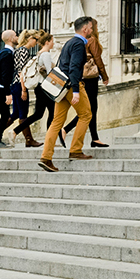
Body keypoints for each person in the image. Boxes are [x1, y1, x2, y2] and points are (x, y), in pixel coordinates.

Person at [37, 17, 98, 172]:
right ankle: (76, 150)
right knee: (86, 115)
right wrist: (76, 90)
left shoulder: (69, 43)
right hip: (72, 85)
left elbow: (61, 64)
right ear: (85, 29)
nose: (92, 30)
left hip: (61, 86)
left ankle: (46, 157)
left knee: (56, 122)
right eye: (90, 28)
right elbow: (75, 67)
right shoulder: (78, 44)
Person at [65, 30, 112, 148]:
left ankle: (95, 138)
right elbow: (98, 59)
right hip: (90, 79)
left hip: (82, 78)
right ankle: (66, 129)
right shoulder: (92, 40)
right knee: (90, 109)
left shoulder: (80, 42)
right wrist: (105, 76)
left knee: (89, 109)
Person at [17, 30, 55, 144]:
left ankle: (15, 131)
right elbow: (50, 73)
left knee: (40, 113)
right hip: (45, 88)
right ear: (47, 42)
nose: (54, 44)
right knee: (50, 113)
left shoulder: (38, 54)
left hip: (39, 88)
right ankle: (50, 140)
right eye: (52, 41)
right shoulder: (46, 54)